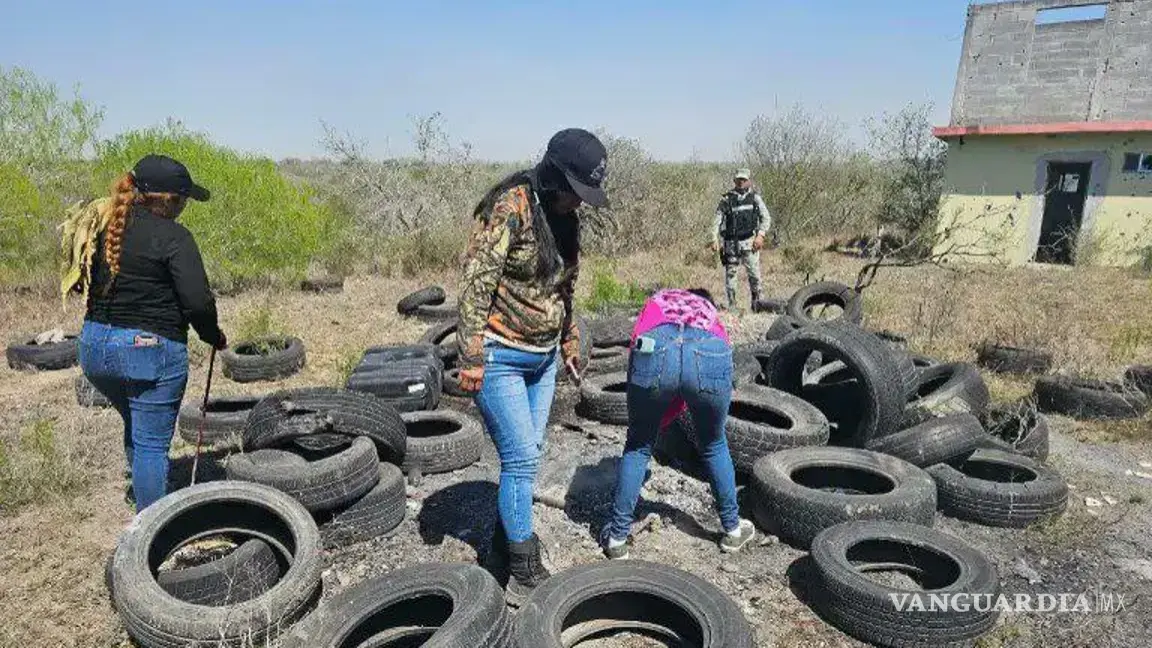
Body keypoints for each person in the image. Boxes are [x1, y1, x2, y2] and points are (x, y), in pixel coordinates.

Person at [455, 128, 608, 604]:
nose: (578, 204)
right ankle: (522, 568)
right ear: (553, 176)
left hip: (542, 359)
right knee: (520, 459)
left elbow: (565, 287)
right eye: (574, 192)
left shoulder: (567, 219)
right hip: (500, 353)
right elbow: (476, 283)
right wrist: (471, 354)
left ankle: (503, 546)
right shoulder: (512, 206)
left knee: (530, 454)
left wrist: (571, 337)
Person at [76, 154, 227, 512]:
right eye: (184, 199)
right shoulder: (175, 237)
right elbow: (197, 302)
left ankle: (146, 492)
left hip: (94, 348)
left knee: (138, 423)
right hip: (147, 351)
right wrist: (213, 335)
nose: (185, 206)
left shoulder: (103, 227)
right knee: (151, 445)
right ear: (169, 199)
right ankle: (152, 531)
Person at [601, 287, 755, 559]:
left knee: (638, 445)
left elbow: (637, 345)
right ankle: (732, 530)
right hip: (710, 350)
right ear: (705, 299)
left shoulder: (659, 300)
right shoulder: (709, 311)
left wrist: (657, 416)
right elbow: (706, 364)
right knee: (714, 444)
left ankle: (617, 538)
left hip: (655, 347)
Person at [710, 168, 771, 310]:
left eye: (744, 180)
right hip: (731, 243)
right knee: (731, 277)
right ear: (734, 181)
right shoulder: (726, 199)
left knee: (755, 276)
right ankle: (733, 308)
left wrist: (761, 235)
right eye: (738, 180)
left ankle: (758, 306)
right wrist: (714, 239)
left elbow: (766, 218)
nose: (741, 182)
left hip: (750, 242)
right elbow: (717, 221)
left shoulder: (755, 198)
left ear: (749, 181)